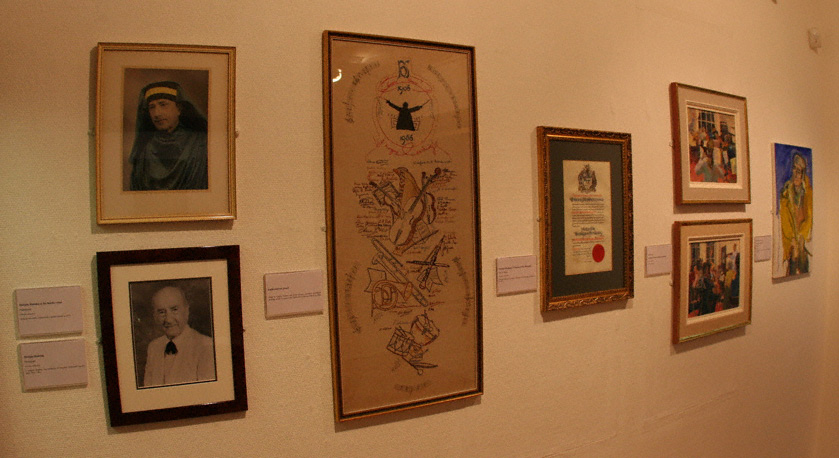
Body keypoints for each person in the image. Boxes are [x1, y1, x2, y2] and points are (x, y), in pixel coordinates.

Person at [128, 81, 208, 191]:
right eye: (152, 107)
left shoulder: (198, 144)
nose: (156, 113)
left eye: (163, 104)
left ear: (179, 109)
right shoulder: (145, 149)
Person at [143, 285, 216, 387]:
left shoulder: (206, 346)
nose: (168, 319)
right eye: (161, 312)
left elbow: (208, 392)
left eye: (174, 309)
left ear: (187, 311)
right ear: (155, 316)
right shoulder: (153, 347)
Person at [779, 152, 813, 275]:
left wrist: (801, 237)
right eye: (794, 169)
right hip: (791, 239)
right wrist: (793, 239)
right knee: (793, 259)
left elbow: (809, 218)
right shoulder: (785, 193)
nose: (796, 174)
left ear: (803, 174)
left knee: (803, 261)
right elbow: (785, 220)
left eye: (799, 171)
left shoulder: (808, 193)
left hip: (802, 238)